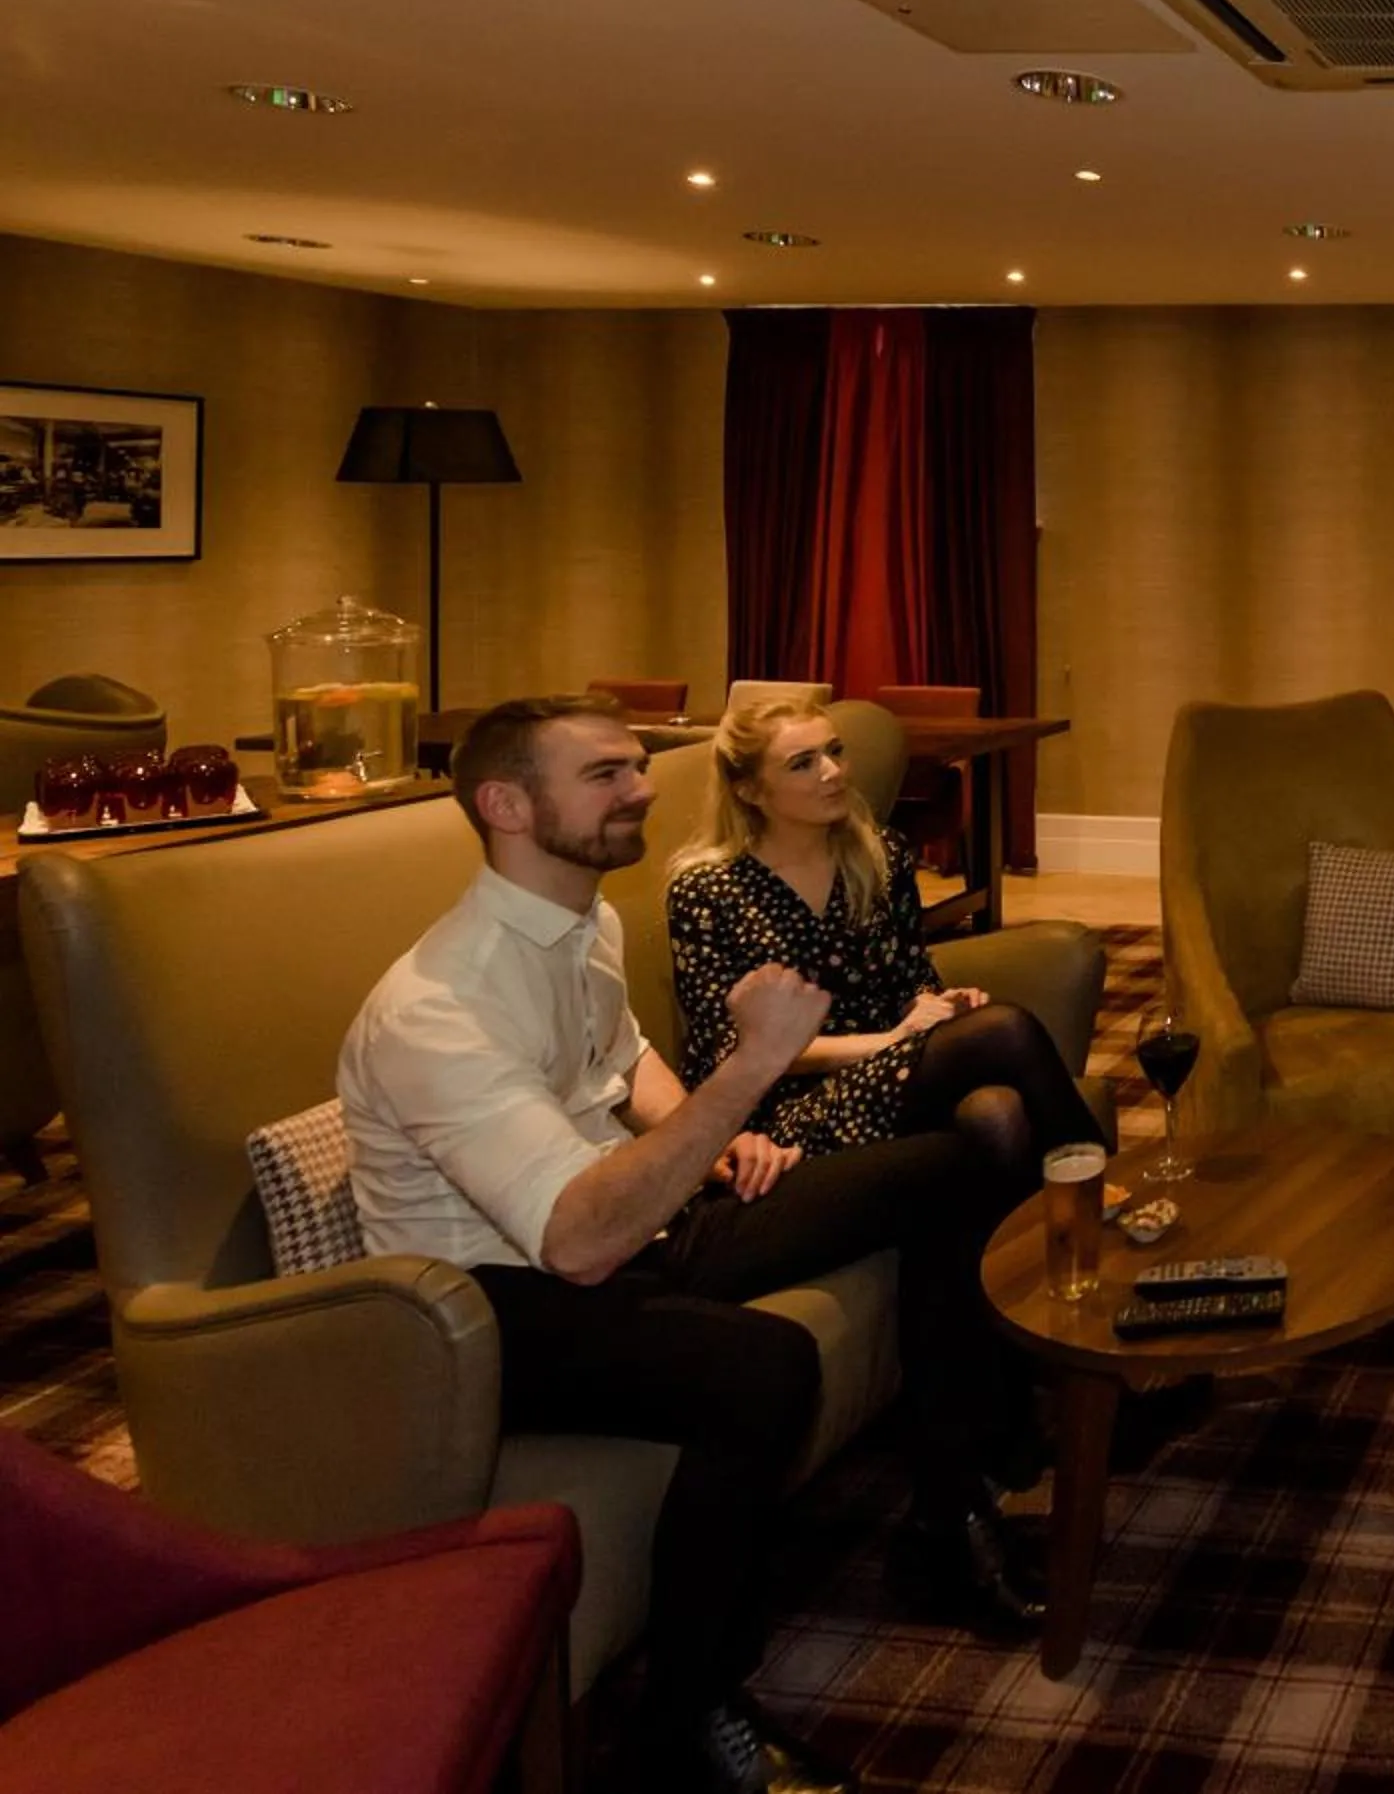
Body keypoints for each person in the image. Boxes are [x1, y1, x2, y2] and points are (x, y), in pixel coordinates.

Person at [339, 697, 1045, 1794]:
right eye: (606, 775)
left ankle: (948, 1512)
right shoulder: (439, 1006)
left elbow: (624, 1070)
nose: (642, 789)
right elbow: (575, 1241)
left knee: (953, 1169)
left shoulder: (583, 924)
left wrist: (719, 1142)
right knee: (761, 1363)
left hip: (638, 1222)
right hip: (488, 1304)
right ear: (505, 804)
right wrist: (749, 1075)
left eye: (637, 767)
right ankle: (684, 1716)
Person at [666, 694, 1112, 1191]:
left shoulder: (880, 855)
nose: (833, 771)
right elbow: (729, 1049)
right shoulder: (708, 891)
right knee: (1004, 1031)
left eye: (835, 751)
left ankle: (1057, 1242)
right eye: (803, 764)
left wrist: (933, 1004)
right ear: (750, 790)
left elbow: (911, 976)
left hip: (892, 1073)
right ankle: (1107, 1192)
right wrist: (890, 1042)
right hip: (779, 1109)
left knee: (998, 1113)